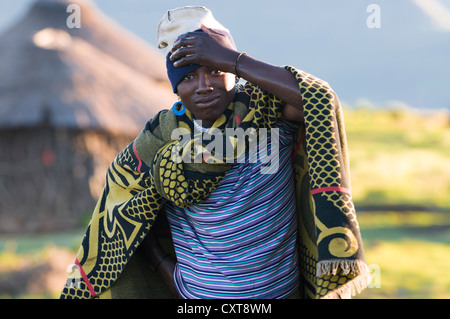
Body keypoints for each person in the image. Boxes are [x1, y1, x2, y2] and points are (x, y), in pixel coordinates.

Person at [61, 6, 369, 299]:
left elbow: (319, 99)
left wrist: (234, 59)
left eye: (214, 70)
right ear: (176, 88)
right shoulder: (161, 136)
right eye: (188, 77)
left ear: (232, 72)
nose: (204, 86)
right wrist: (163, 267)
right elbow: (122, 207)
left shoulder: (268, 114)